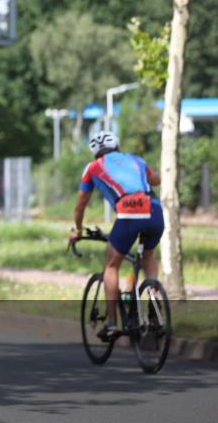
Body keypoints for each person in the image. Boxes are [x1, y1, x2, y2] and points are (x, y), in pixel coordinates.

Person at [69, 131, 162, 342]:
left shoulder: (93, 168)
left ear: (95, 152)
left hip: (130, 213)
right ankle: (155, 302)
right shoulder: (136, 160)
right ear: (117, 145)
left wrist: (78, 229)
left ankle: (112, 324)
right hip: (155, 211)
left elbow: (80, 204)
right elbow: (155, 180)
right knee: (147, 257)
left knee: (111, 266)